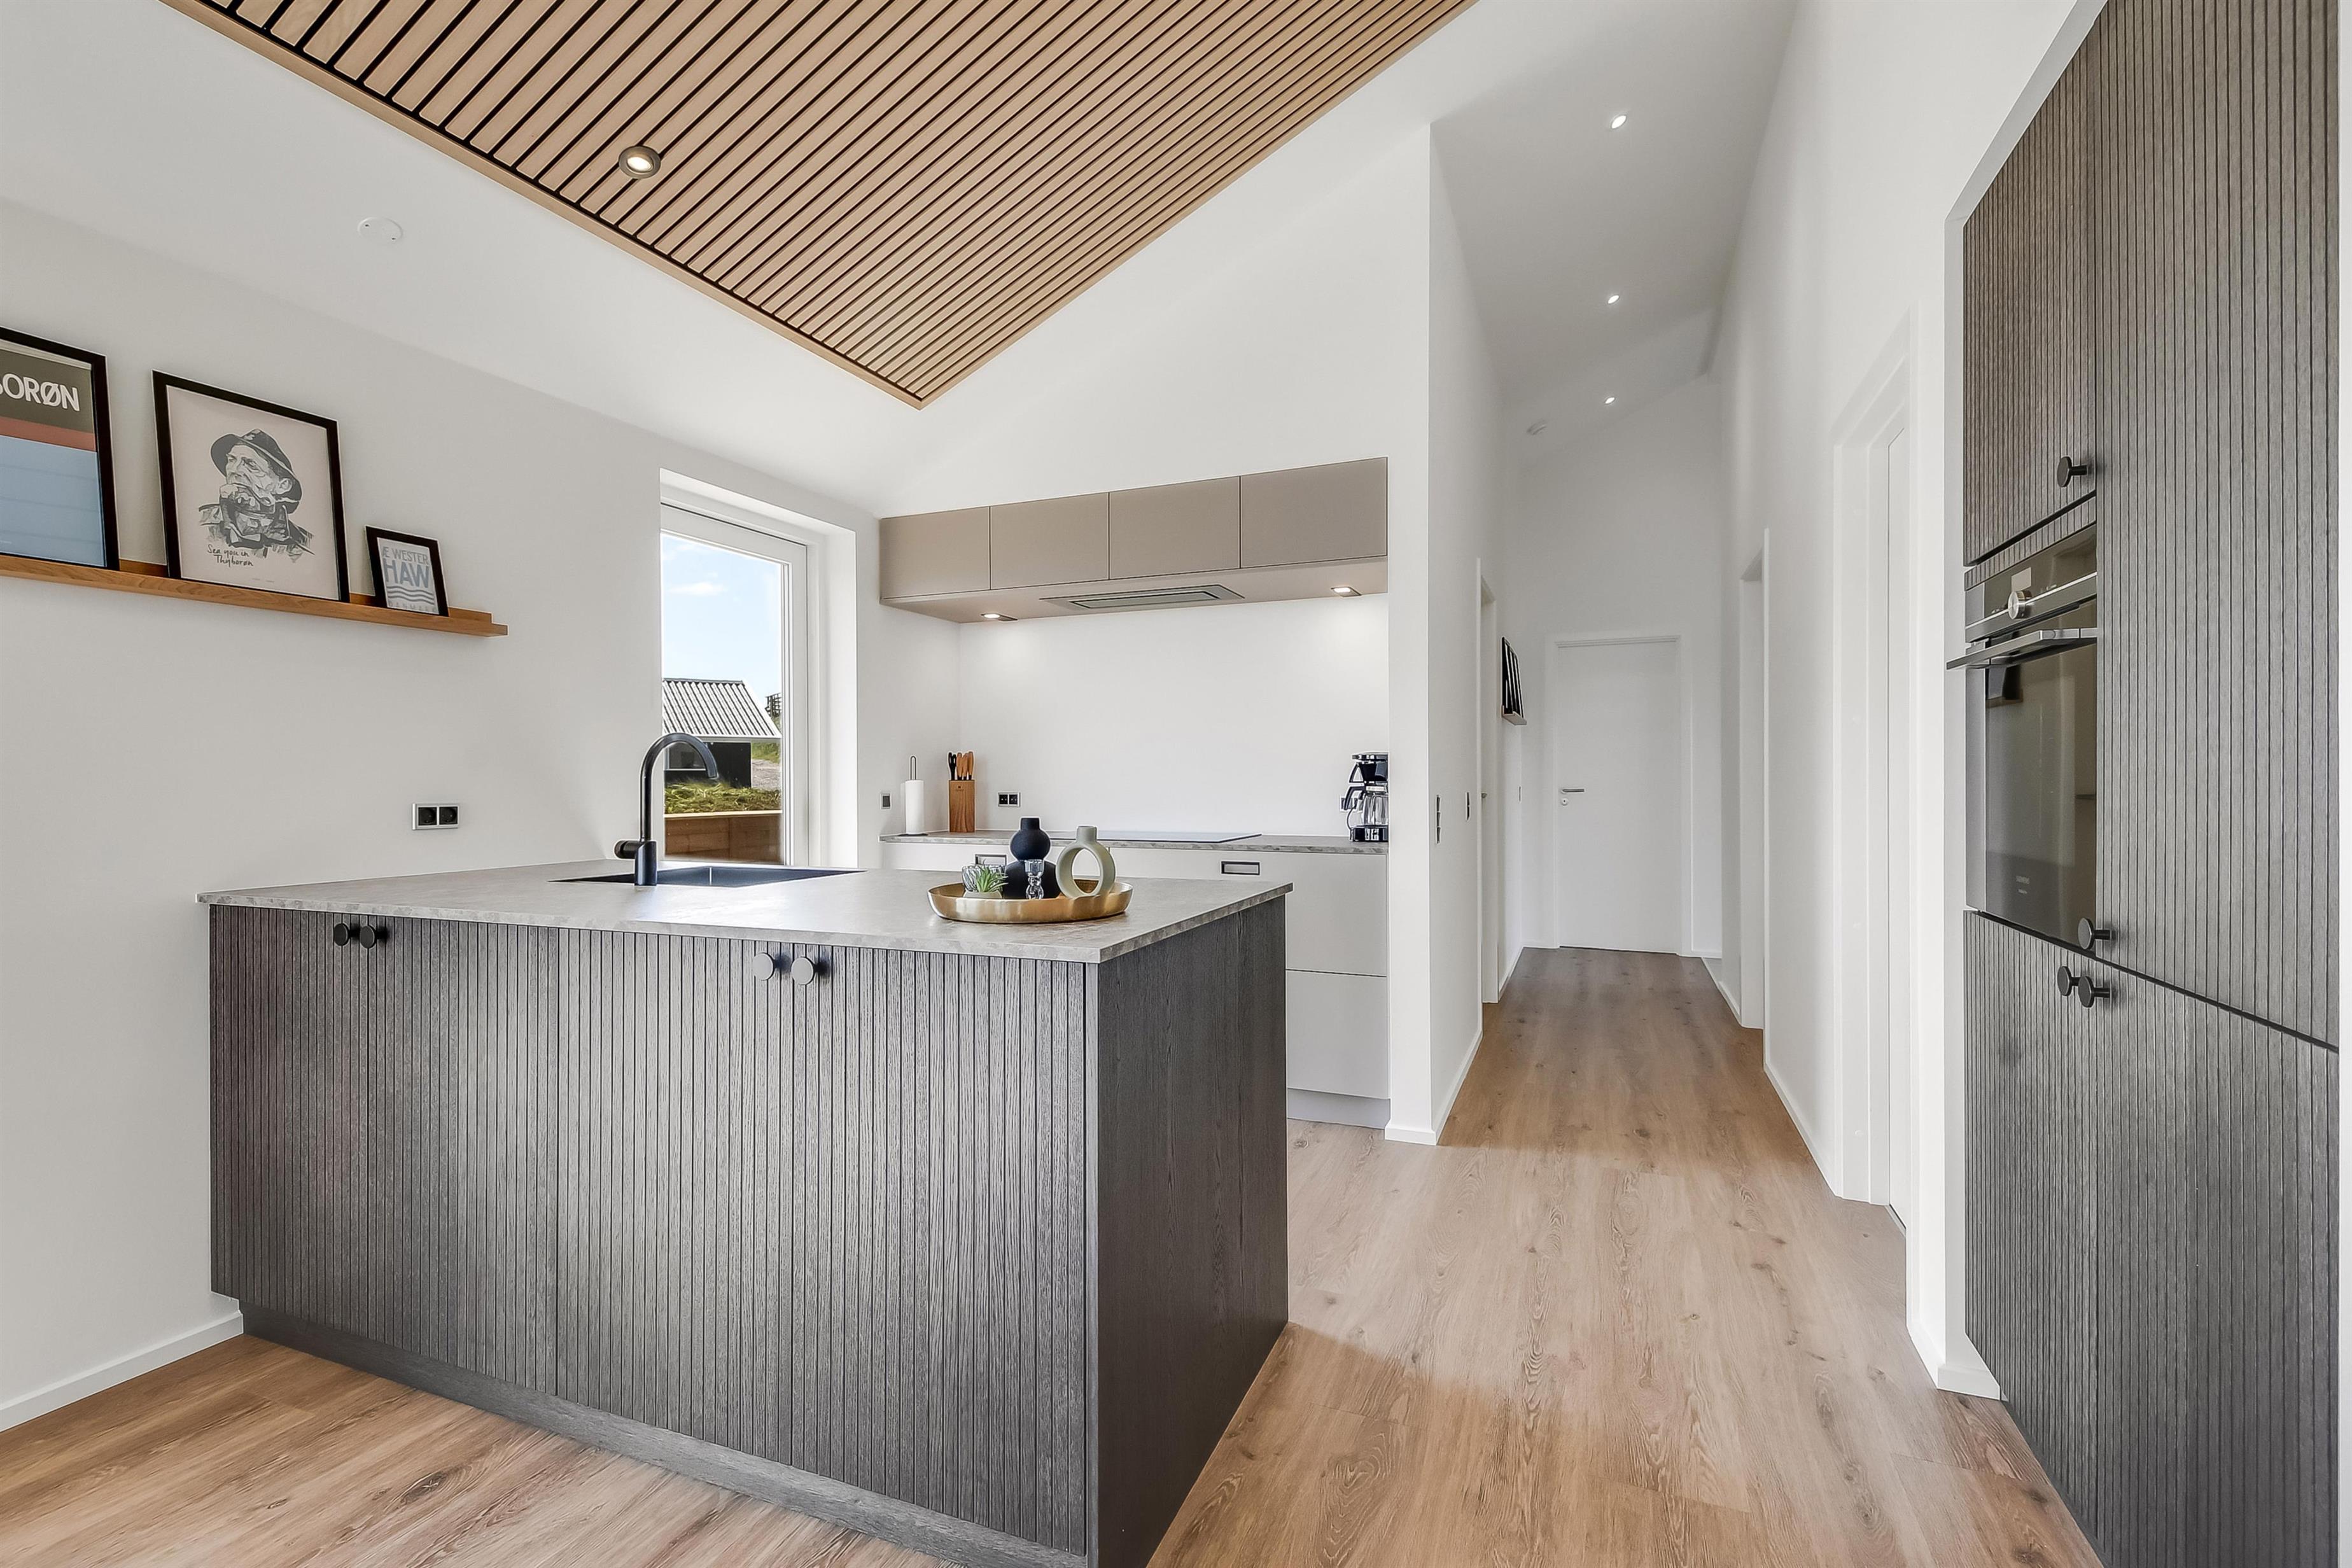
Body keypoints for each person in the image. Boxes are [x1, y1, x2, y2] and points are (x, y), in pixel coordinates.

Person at [197, 429, 312, 557]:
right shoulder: (201, 522)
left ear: (282, 485)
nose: (234, 470)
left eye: (251, 464)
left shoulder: (303, 546)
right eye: (232, 460)